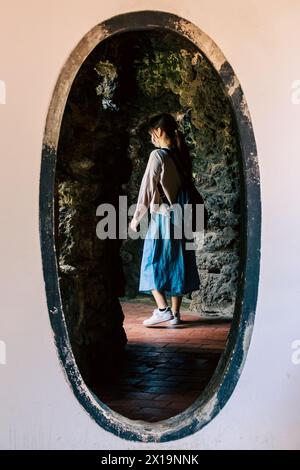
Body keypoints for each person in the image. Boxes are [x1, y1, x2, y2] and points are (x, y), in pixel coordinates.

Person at [129, 113, 200, 326]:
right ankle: (176, 314)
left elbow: (147, 189)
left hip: (164, 218)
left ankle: (162, 309)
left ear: (158, 131)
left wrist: (136, 218)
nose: (151, 137)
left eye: (152, 132)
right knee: (177, 262)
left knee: (152, 262)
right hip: (183, 218)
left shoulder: (157, 155)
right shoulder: (181, 155)